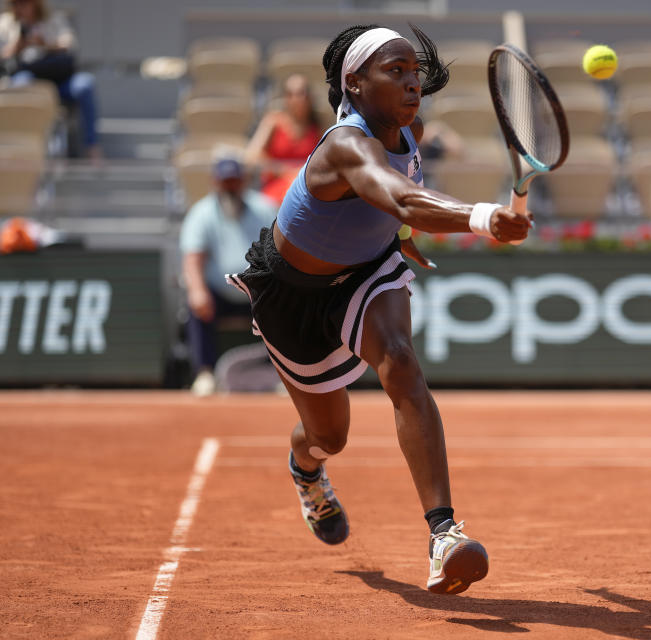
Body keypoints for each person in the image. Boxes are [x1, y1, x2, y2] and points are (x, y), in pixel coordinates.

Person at [226, 24, 531, 594]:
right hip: (291, 293)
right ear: (354, 83)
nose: (412, 82)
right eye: (394, 72)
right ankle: (306, 469)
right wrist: (483, 217)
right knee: (328, 436)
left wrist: (403, 230)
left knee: (400, 361)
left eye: (414, 71)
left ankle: (444, 536)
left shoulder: (406, 129)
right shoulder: (345, 143)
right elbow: (393, 192)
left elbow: (399, 198)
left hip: (368, 272)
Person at [180, 150, 277, 396]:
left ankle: (283, 374)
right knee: (196, 304)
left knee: (287, 305)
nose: (230, 186)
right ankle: (205, 373)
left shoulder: (265, 208)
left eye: (234, 180)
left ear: (243, 180)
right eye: (226, 180)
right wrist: (197, 291)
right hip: (220, 294)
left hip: (258, 292)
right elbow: (193, 259)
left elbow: (281, 252)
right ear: (215, 182)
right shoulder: (201, 213)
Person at [0, 0, 101, 159]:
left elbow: (69, 44)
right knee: (21, 83)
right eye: (16, 3)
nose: (20, 7)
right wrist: (18, 44)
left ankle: (92, 146)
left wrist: (45, 44)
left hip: (60, 79)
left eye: (25, 3)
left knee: (85, 85)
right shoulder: (6, 23)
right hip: (32, 81)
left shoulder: (53, 19)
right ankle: (25, 150)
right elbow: (4, 56)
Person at [245, 73, 323, 206]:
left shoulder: (317, 127)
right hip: (276, 190)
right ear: (285, 98)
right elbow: (251, 156)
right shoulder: (273, 122)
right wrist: (285, 171)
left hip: (307, 189)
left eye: (302, 93)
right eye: (292, 94)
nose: (298, 98)